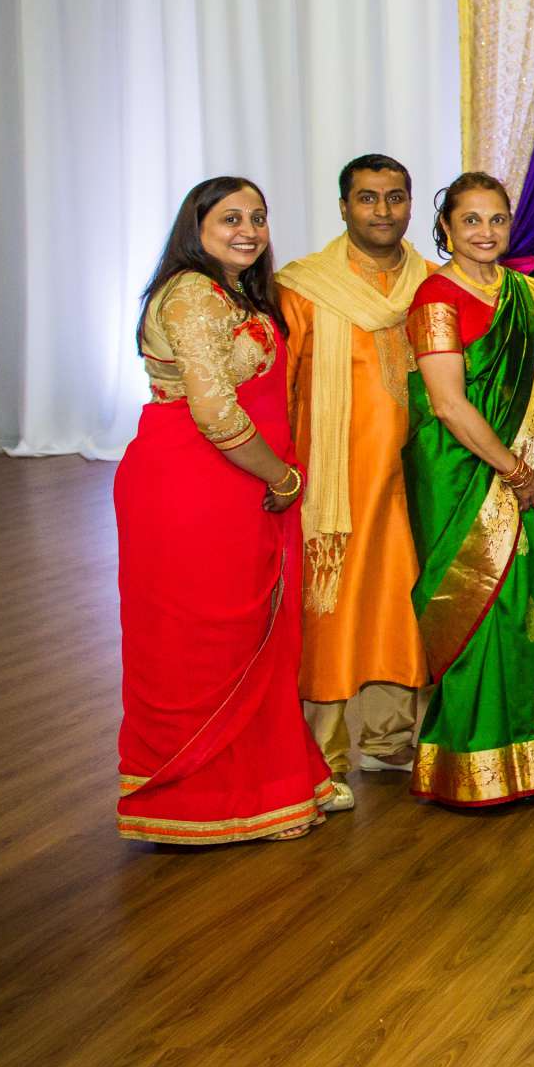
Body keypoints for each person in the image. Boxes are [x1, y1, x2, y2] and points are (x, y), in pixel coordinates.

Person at [116, 177, 333, 844]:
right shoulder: (189, 295)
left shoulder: (230, 293)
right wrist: (285, 477)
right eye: (230, 218)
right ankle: (202, 802)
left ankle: (267, 785)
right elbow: (213, 412)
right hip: (194, 486)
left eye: (259, 217)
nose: (248, 229)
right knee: (203, 642)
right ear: (196, 226)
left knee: (251, 635)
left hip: (238, 485)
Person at [403, 172, 534, 805]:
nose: (485, 233)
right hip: (462, 475)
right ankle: (473, 759)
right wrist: (515, 472)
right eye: (471, 221)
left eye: (496, 220)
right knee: (478, 610)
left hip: (526, 475)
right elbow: (448, 405)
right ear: (445, 228)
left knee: (530, 607)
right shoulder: (435, 299)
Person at [278, 154, 434, 793]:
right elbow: (280, 387)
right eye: (368, 199)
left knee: (402, 602)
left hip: (416, 475)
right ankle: (325, 750)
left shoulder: (430, 283)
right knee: (335, 609)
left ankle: (391, 739)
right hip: (334, 483)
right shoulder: (305, 286)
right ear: (343, 207)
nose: (383, 212)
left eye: (395, 198)